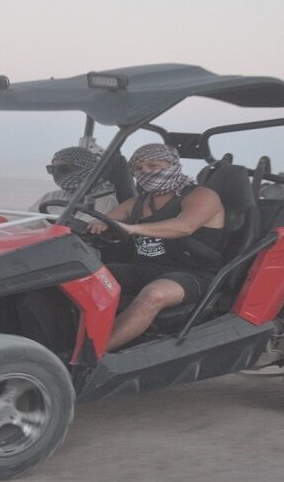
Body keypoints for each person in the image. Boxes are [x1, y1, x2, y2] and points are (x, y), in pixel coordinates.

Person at [88, 143, 225, 351]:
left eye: (153, 165)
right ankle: (66, 340)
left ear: (172, 165)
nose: (146, 173)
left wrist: (133, 228)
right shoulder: (136, 203)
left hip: (192, 273)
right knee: (87, 278)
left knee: (155, 294)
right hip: (142, 268)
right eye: (139, 169)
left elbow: (184, 226)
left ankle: (95, 353)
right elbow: (106, 220)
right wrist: (98, 224)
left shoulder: (201, 196)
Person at [29, 146, 119, 221]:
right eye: (52, 168)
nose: (56, 173)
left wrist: (42, 226)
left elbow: (82, 229)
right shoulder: (51, 196)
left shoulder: (104, 200)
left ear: (84, 168)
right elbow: (27, 221)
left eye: (62, 168)